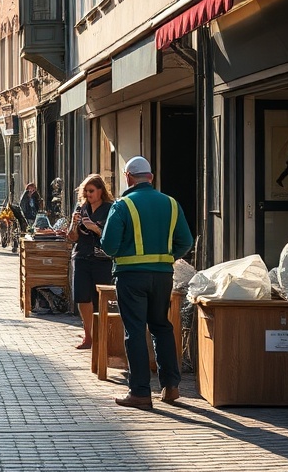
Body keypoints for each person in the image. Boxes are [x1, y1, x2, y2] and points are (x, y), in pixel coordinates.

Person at [101, 156, 194, 409]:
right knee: (161, 327)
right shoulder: (171, 203)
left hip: (130, 276)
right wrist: (167, 258)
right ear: (150, 177)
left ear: (128, 177)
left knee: (135, 331)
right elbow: (186, 241)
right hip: (162, 276)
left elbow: (109, 246)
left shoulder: (123, 205)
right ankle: (171, 386)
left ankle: (140, 392)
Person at [67, 174, 115, 350]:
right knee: (82, 298)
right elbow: (72, 237)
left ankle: (102, 336)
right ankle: (88, 336)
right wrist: (74, 224)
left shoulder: (110, 209)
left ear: (101, 191)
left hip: (102, 260)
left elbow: (112, 236)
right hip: (81, 257)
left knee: (100, 298)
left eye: (91, 191)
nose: (88, 194)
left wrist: (94, 228)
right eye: (86, 191)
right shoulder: (81, 208)